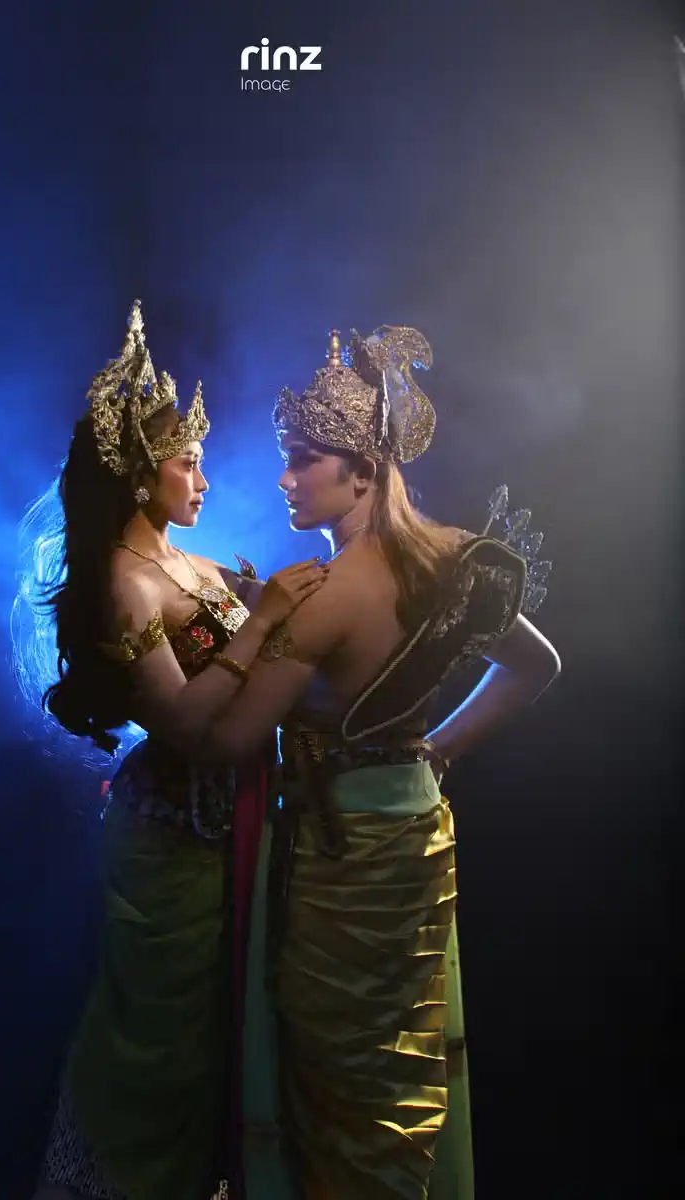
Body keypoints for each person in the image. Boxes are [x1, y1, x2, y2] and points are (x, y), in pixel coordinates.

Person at [171, 323, 561, 1199]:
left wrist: (256, 624)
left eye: (302, 460)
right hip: (417, 827)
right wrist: (442, 747)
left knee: (341, 1077)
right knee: (402, 1059)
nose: (284, 479)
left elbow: (225, 742)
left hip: (340, 848)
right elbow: (538, 667)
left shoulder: (324, 598)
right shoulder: (452, 558)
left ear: (363, 471)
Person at [33, 301, 327, 1200]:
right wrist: (264, 622)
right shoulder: (123, 584)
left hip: (238, 812)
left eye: (201, 460)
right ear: (138, 475)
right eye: (187, 462)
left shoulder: (193, 567)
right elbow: (185, 726)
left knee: (231, 1023)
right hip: (174, 827)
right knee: (166, 1032)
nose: (203, 480)